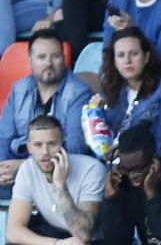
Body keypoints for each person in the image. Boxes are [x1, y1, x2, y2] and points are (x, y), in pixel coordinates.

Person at [0, 116, 105, 245]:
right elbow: (13, 232)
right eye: (38, 145)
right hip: (56, 241)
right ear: (28, 147)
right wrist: (57, 244)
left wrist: (60, 186)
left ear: (63, 145)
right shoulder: (28, 168)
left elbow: (83, 233)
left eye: (52, 144)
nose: (45, 152)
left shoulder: (91, 169)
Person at [0, 29, 92, 178]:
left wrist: (26, 167)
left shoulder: (79, 93)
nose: (48, 63)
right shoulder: (19, 88)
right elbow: (4, 136)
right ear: (30, 60)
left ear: (64, 58)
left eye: (55, 56)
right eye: (41, 57)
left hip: (59, 172)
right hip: (15, 170)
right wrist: (2, 167)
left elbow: (76, 146)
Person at [85, 27, 161, 160]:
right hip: (115, 163)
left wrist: (121, 156)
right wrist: (98, 113)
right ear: (114, 61)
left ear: (146, 57)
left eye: (134, 54)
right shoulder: (114, 87)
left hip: (153, 165)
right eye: (121, 55)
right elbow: (105, 137)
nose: (127, 60)